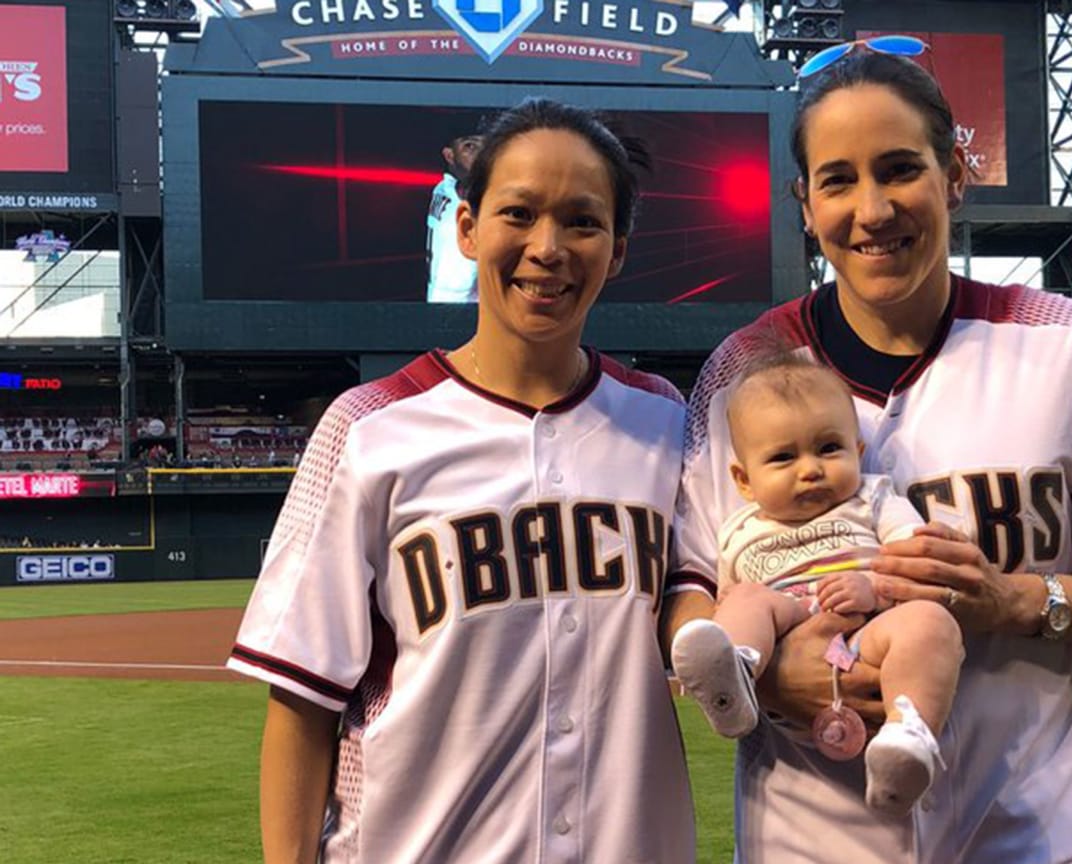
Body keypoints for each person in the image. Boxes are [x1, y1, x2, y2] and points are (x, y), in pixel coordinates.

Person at [663, 48, 1072, 863]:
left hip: (1036, 838)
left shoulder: (1071, 347)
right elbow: (686, 596)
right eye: (837, 180)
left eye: (900, 170)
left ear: (955, 174)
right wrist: (761, 671)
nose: (872, 210)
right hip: (811, 842)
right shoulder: (741, 372)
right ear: (804, 201)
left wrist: (1017, 601)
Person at [227, 99, 696, 863]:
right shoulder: (369, 425)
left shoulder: (664, 421)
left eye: (583, 221)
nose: (548, 247)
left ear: (617, 250)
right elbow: (302, 702)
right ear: (468, 229)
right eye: (519, 213)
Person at [670, 356, 963, 815]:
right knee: (745, 601)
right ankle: (735, 674)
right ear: (744, 481)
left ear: (858, 449)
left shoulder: (874, 497)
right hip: (788, 638)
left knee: (930, 622)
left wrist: (875, 586)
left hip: (867, 636)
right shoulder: (738, 529)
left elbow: (918, 564)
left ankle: (908, 737)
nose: (810, 469)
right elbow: (726, 597)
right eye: (784, 457)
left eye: (829, 449)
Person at [426, 132, 484, 304]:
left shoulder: (494, 204)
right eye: (470, 146)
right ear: (450, 155)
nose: (481, 154)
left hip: (471, 313)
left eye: (487, 146)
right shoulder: (442, 189)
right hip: (437, 305)